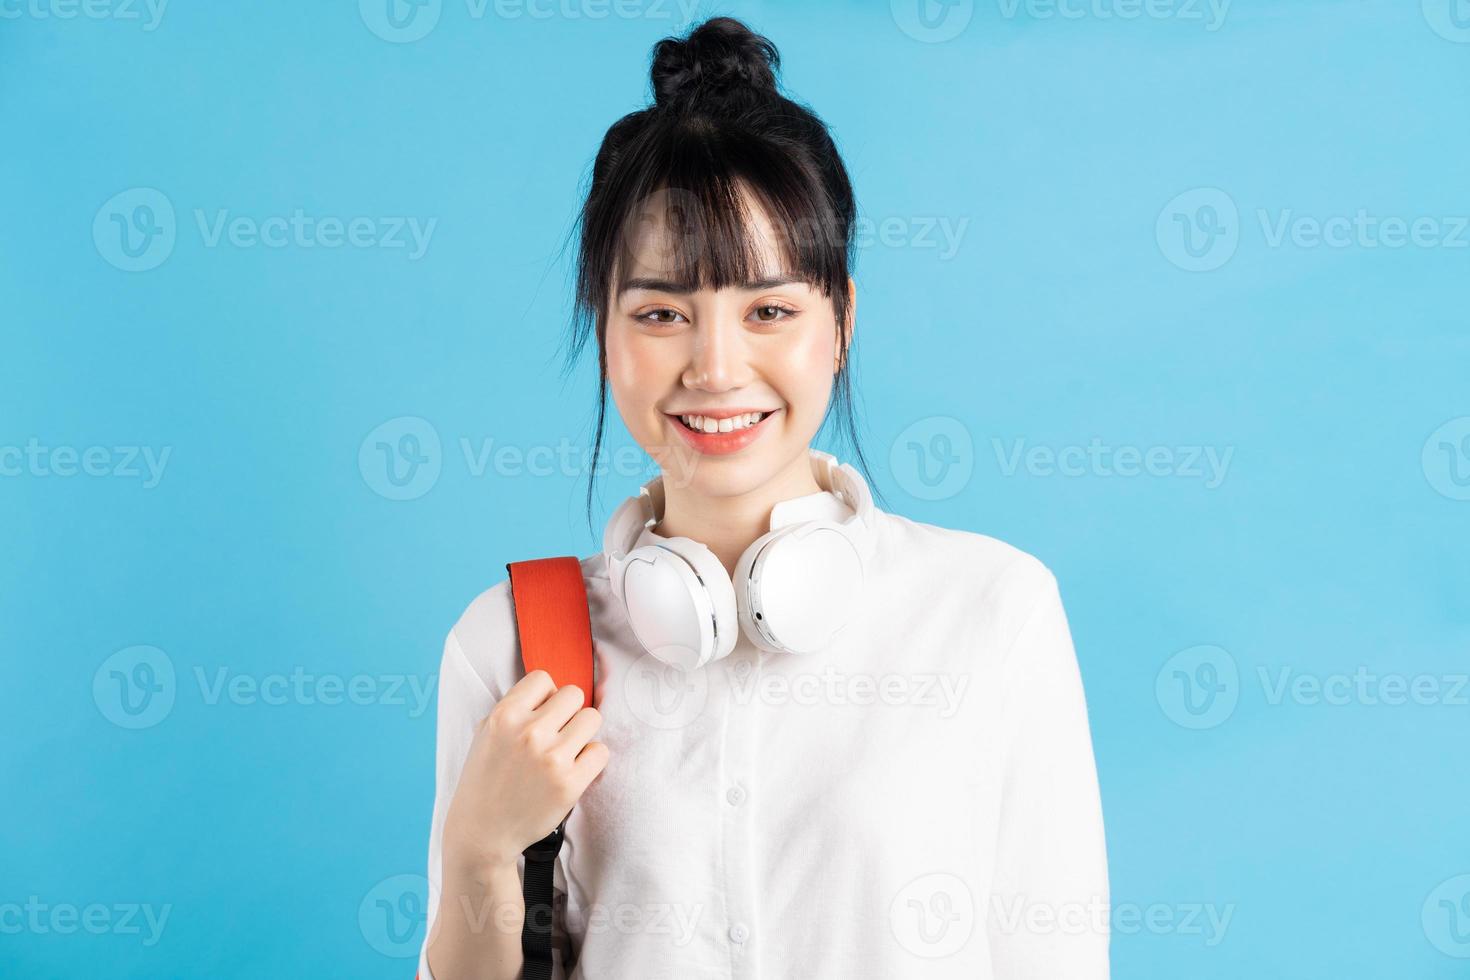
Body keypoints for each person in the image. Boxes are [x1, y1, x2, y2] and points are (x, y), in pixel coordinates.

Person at [418, 16, 1108, 979]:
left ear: (842, 322)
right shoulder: (515, 646)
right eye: (662, 313)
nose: (716, 366)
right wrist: (479, 851)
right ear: (606, 334)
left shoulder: (993, 611)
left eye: (770, 310)